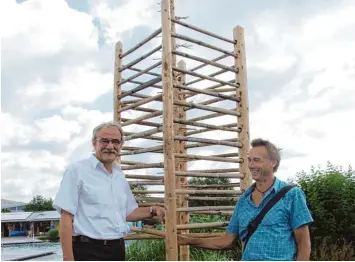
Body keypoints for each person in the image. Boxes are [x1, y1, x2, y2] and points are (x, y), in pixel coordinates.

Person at [178, 138, 314, 261]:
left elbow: (304, 244)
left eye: (256, 160)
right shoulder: (243, 201)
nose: (250, 165)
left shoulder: (292, 195)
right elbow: (225, 241)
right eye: (249, 160)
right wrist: (188, 240)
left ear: (273, 162)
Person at [53, 121, 165, 261]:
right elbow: (66, 217)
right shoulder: (77, 171)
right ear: (94, 143)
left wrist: (153, 210)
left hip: (117, 249)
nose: (110, 146)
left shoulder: (119, 175)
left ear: (121, 145)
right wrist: (68, 258)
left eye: (115, 142)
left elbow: (128, 212)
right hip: (87, 251)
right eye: (104, 141)